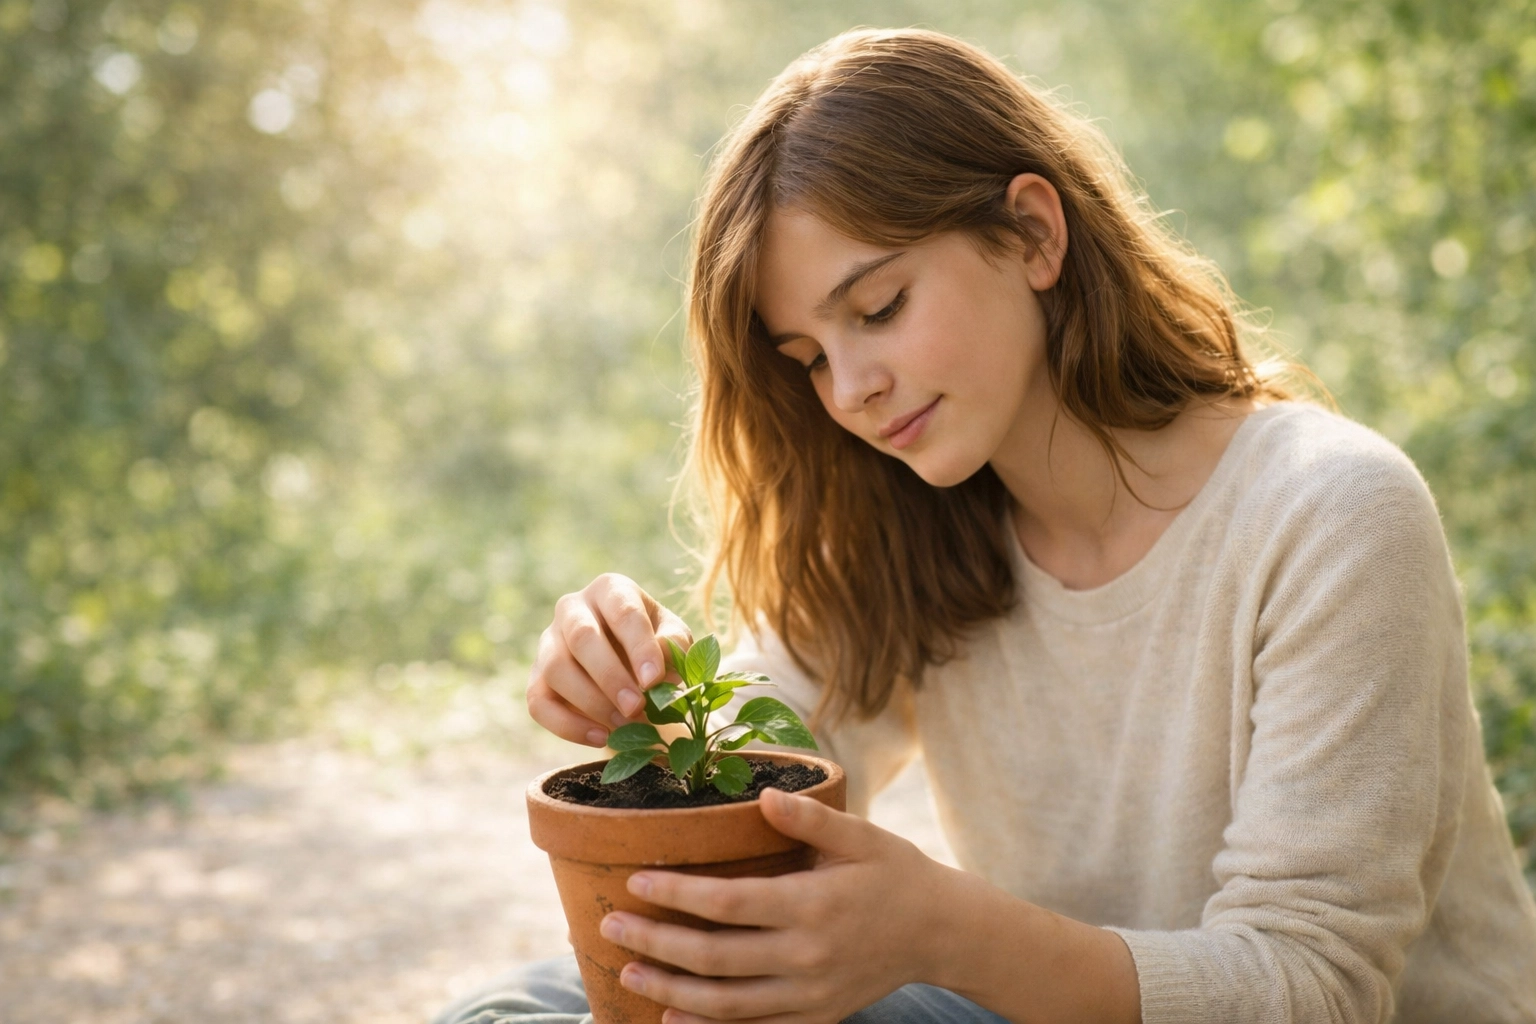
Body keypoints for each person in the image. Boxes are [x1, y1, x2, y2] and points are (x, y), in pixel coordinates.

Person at [437, 27, 1536, 1024]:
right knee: (527, 1005)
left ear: (1032, 232)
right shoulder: (925, 524)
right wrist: (641, 677)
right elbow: (769, 752)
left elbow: (1313, 989)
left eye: (878, 310)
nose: (851, 390)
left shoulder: (1331, 512)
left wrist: (939, 929)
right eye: (809, 358)